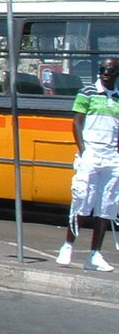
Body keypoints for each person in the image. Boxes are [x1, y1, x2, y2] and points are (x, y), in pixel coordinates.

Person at [56, 57, 119, 271]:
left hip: (111, 157)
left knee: (107, 206)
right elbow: (77, 122)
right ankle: (68, 245)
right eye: (102, 70)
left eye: (109, 70)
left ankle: (95, 255)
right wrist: (83, 151)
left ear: (117, 73)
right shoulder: (87, 92)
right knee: (82, 199)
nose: (105, 74)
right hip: (91, 153)